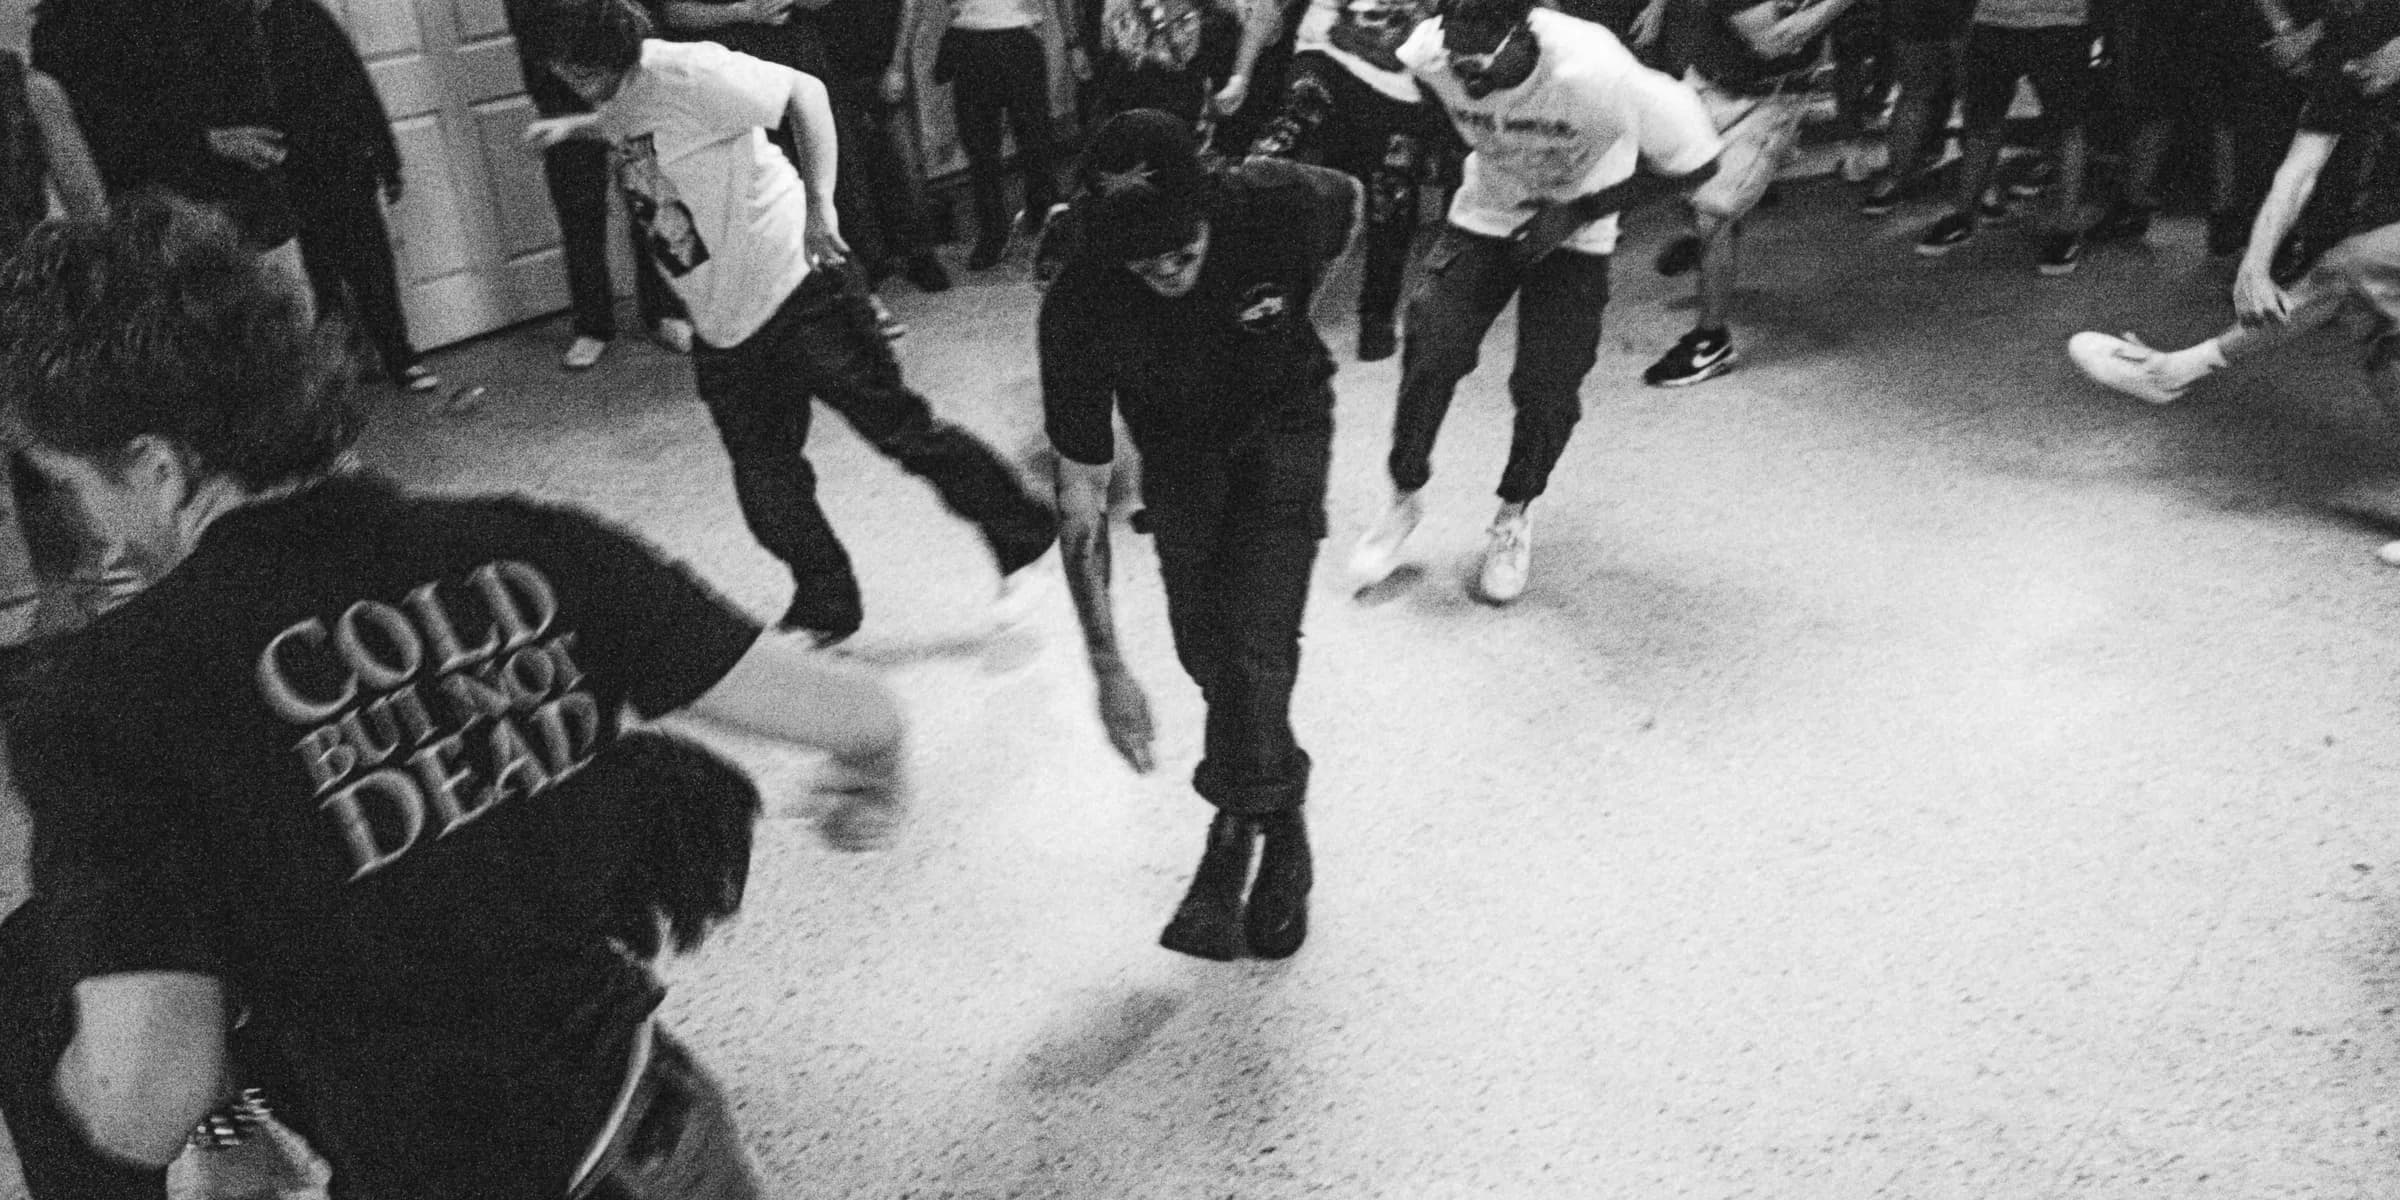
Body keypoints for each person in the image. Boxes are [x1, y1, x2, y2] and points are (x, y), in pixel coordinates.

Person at [0, 196, 911, 1198]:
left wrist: (73, 1076)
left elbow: (142, 1094)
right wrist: (873, 782)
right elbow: (859, 714)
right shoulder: (528, 542)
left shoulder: (109, 697)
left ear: (156, 466)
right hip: (662, 1130)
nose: (97, 542)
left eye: (75, 490)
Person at [520, 0, 1058, 646]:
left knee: (901, 432)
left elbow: (805, 94)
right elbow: (624, 121)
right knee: (766, 478)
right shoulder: (619, 93)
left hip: (801, 290)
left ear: (612, 53)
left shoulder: (690, 72)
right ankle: (826, 604)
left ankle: (1024, 541)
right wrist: (572, 128)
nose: (573, 84)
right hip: (723, 321)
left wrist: (821, 207)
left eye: (579, 74)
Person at [1041, 110, 1359, 961]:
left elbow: (1352, 203)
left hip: (1284, 420)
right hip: (1179, 452)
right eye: (1142, 260)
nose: (1166, 271)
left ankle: (1238, 836)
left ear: (1210, 200)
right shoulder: (1081, 302)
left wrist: (1292, 319)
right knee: (1206, 650)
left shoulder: (1277, 201)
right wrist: (1107, 666)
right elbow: (1079, 502)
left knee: (1257, 644)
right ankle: (1279, 810)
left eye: (1182, 250)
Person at [1347, 0, 1720, 603]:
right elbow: (1431, 95)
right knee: (1431, 347)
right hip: (1485, 215)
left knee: (1549, 385)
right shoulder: (1427, 53)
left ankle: (1514, 511)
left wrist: (1579, 210)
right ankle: (1403, 497)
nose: (1462, 60)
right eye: (1452, 34)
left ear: (1520, 27)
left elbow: (1701, 162)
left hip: (1578, 224)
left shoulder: (1595, 69)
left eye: (1479, 41)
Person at [2066, 7, 2400, 557]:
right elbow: (2299, 171)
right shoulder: (2346, 51)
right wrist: (2256, 260)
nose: (2362, 71)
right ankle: (2172, 372)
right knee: (2378, 334)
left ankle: (2175, 371)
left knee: (2351, 268)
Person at [31, 0, 312, 314]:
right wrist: (204, 141)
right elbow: (102, 145)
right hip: (160, 248)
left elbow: (261, 124)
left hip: (247, 227)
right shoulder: (65, 27)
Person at [1644, 0, 1866, 387]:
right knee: (1688, 188)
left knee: (1714, 211)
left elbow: (1781, 37)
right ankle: (1706, 244)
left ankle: (1711, 342)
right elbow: (1773, 37)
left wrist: (1816, 11)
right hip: (1710, 83)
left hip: (1770, 103)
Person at [263, 0, 441, 395]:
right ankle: (341, 366)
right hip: (287, 170)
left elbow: (355, 84)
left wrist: (387, 159)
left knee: (369, 266)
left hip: (341, 162)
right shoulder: (239, 31)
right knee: (320, 275)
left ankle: (396, 355)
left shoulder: (303, 14)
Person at [503, 0, 693, 369]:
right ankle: (593, 326)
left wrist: (633, 87)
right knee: (580, 219)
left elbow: (647, 18)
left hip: (633, 87)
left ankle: (666, 311)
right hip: (562, 105)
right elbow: (535, 43)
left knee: (656, 206)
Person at [1247, 0, 1441, 362]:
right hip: (1326, 61)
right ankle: (1254, 291)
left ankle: (1377, 318)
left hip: (1402, 82)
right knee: (1278, 150)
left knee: (1391, 195)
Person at [1911, 0, 2097, 275]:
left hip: (2060, 24)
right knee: (1982, 122)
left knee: (2066, 126)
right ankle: (1963, 215)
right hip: (1994, 22)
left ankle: (2066, 230)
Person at [900, 0, 1084, 269]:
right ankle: (993, 231)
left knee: (1036, 142)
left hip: (1020, 36)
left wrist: (1073, 43)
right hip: (969, 39)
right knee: (980, 148)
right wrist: (898, 61)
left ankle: (1044, 218)